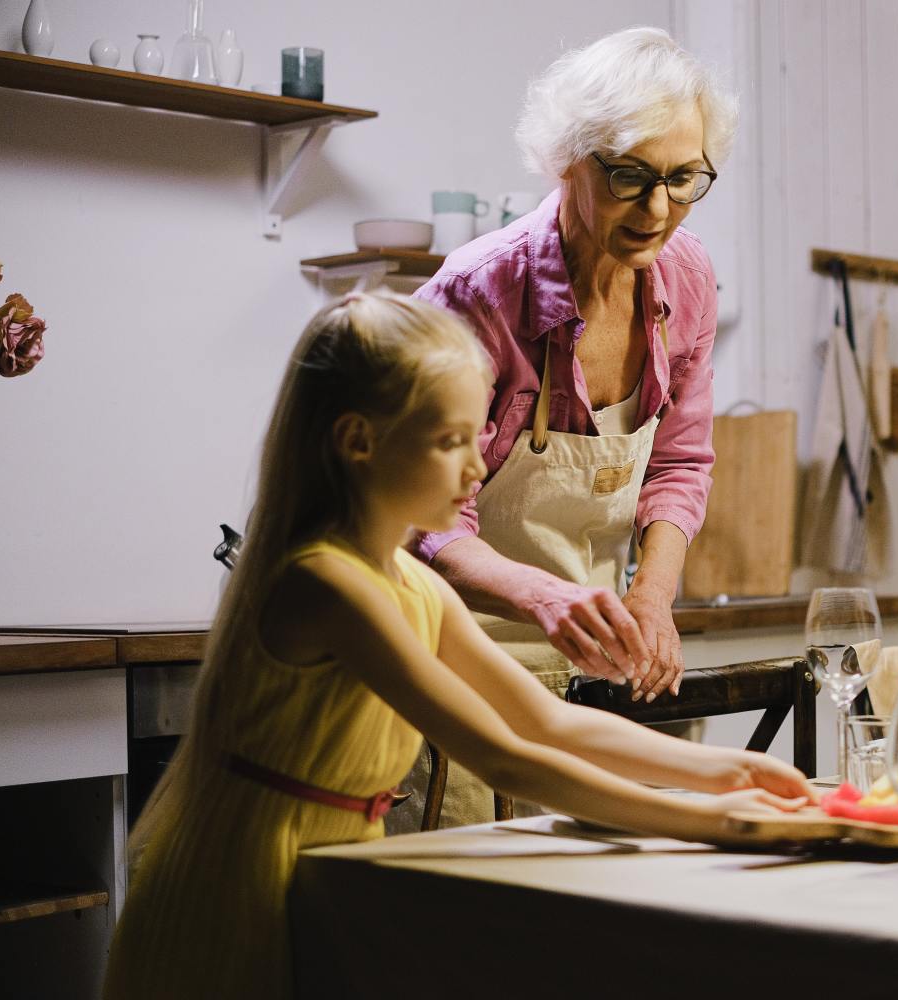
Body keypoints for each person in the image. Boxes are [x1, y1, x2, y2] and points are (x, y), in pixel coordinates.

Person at [102, 292, 811, 1000]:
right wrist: (714, 822)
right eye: (451, 442)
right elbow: (506, 755)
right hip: (242, 886)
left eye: (478, 438)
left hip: (331, 877)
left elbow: (548, 721)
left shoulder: (410, 579)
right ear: (358, 441)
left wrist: (727, 771)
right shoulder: (327, 584)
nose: (478, 469)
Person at [410, 27, 733, 825]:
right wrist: (549, 598)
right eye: (628, 176)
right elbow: (422, 517)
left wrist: (651, 599)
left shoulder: (686, 280)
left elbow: (681, 462)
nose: (658, 210)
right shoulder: (480, 294)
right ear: (569, 160)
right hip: (452, 661)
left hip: (585, 671)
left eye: (683, 178)